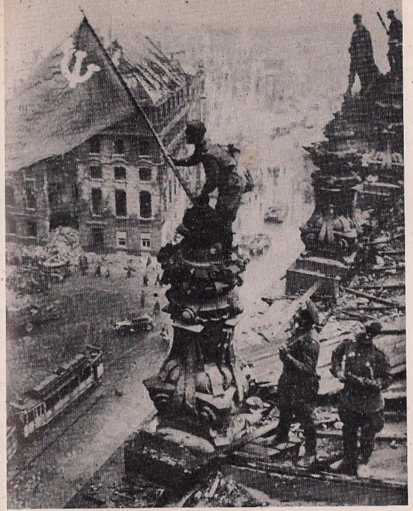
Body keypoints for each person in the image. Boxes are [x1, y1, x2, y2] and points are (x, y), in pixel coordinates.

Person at [170, 121, 245, 250]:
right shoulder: (204, 146)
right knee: (220, 216)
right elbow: (194, 159)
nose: (186, 136)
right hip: (230, 184)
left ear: (196, 136)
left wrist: (203, 194)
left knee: (223, 217)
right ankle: (221, 246)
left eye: (188, 134)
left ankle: (224, 251)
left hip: (232, 187)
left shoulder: (208, 154)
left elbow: (213, 180)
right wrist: (177, 162)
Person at [330, 322, 391, 476]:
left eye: (368, 336)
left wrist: (376, 384)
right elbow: (335, 356)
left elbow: (387, 378)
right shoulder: (348, 346)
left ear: (372, 337)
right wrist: (338, 372)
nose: (365, 338)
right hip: (350, 398)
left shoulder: (378, 354)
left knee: (368, 433)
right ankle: (348, 460)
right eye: (363, 335)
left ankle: (364, 462)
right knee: (348, 430)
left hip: (369, 401)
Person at [273, 300, 321, 468]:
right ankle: (282, 436)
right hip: (289, 379)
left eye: (299, 314)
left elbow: (308, 368)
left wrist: (288, 357)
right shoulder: (298, 332)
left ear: (307, 320)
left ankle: (311, 452)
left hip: (303, 384)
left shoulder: (311, 340)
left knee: (305, 417)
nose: (295, 316)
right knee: (284, 408)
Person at [347, 14, 380, 95]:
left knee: (366, 75)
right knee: (354, 74)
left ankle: (366, 91)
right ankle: (349, 90)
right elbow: (352, 46)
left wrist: (369, 58)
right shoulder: (354, 33)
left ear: (359, 20)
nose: (356, 22)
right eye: (355, 20)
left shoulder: (365, 32)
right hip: (355, 58)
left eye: (357, 20)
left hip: (363, 59)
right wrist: (351, 51)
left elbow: (369, 47)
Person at [386, 10, 402, 78]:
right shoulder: (392, 23)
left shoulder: (397, 22)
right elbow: (393, 33)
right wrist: (389, 33)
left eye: (388, 14)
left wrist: (399, 42)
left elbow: (400, 33)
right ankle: (394, 71)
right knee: (390, 56)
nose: (388, 16)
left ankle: (397, 72)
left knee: (396, 58)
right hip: (392, 44)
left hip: (396, 44)